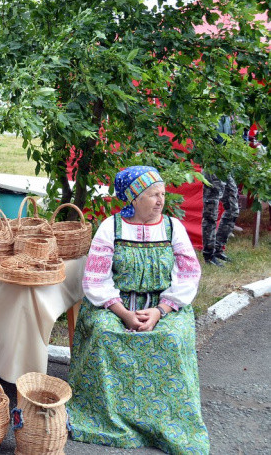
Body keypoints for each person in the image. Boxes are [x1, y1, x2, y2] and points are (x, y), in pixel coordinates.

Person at [67, 166, 209, 454]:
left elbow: (189, 274)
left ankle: (167, 420)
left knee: (171, 338)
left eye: (163, 194)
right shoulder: (111, 227)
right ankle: (106, 416)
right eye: (152, 195)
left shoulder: (172, 227)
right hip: (115, 304)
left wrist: (161, 310)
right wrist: (123, 314)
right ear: (133, 198)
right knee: (105, 333)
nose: (160, 200)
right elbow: (95, 280)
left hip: (164, 305)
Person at [201, 115, 239, 266]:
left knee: (233, 208)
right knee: (211, 212)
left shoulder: (229, 116)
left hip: (225, 165)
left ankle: (217, 248)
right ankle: (209, 254)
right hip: (213, 166)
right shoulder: (209, 112)